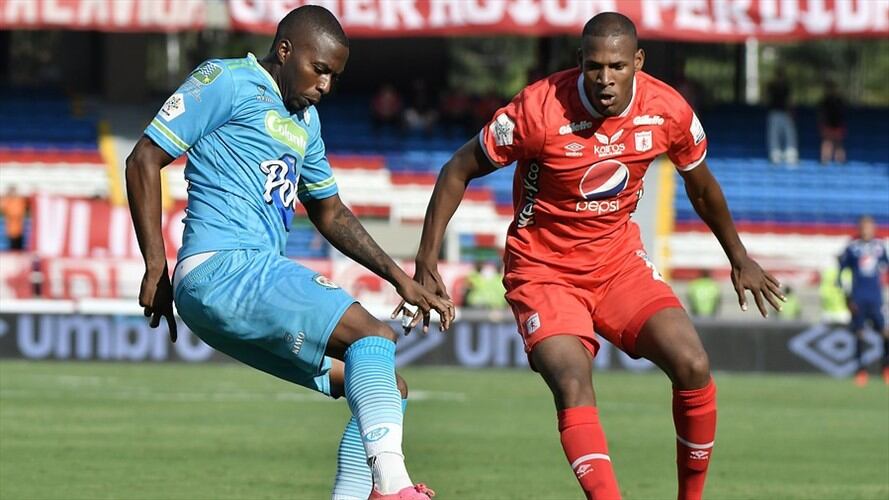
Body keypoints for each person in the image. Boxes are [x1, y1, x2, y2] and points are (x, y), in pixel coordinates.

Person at [407, 12, 783, 500]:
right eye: (595, 67)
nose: (606, 79)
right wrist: (426, 260)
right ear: (580, 62)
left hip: (617, 265)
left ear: (638, 62)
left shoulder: (667, 109)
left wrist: (739, 257)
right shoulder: (539, 109)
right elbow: (457, 168)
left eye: (618, 66)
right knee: (572, 381)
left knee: (692, 364)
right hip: (543, 271)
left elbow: (703, 187)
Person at [125, 6, 451, 500]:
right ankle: (395, 488)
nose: (325, 85)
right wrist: (155, 263)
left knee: (386, 385)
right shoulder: (226, 80)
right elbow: (143, 158)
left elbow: (330, 212)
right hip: (224, 267)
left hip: (229, 295)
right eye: (319, 69)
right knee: (373, 334)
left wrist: (398, 277)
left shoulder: (306, 123)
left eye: (334, 77)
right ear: (284, 50)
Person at [838, 215, 889, 386]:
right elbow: (841, 273)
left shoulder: (880, 247)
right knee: (859, 333)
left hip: (876, 298)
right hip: (859, 297)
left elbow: (885, 267)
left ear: (874, 229)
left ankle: (885, 368)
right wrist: (848, 297)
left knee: (885, 332)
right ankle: (861, 371)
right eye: (863, 227)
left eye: (869, 227)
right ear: (859, 229)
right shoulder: (852, 248)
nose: (866, 230)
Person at [765, 67, 798, 165]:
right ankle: (775, 155)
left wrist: (792, 111)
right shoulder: (771, 86)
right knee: (773, 134)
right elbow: (766, 98)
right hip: (774, 112)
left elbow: (790, 100)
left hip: (785, 112)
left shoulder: (786, 87)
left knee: (789, 134)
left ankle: (791, 155)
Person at [818, 80, 846, 165]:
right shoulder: (824, 101)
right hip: (827, 125)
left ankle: (840, 163)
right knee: (827, 143)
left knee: (838, 145)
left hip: (837, 125)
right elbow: (821, 114)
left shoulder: (839, 101)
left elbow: (842, 113)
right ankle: (824, 162)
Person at [0, 186, 28, 250]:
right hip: (11, 231)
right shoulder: (9, 201)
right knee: (13, 247)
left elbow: (19, 212)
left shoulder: (18, 200)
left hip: (18, 230)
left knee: (17, 247)